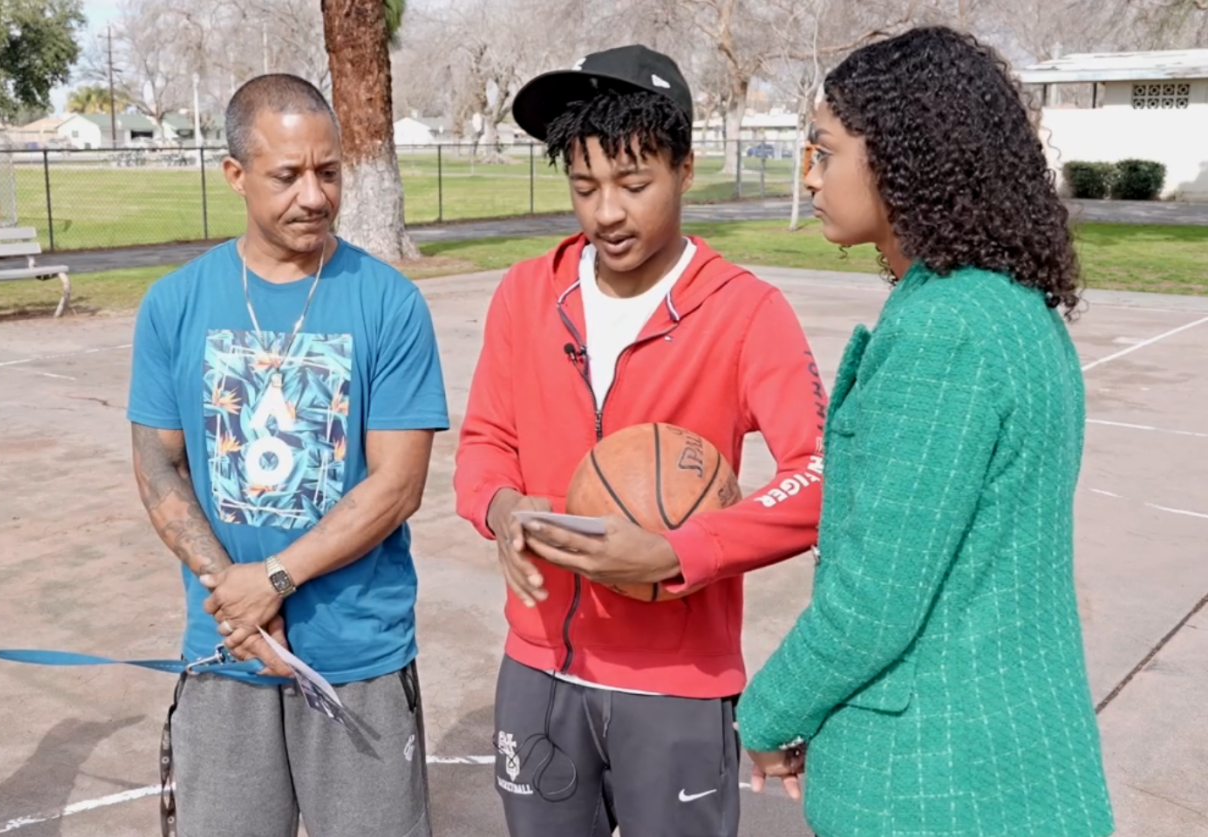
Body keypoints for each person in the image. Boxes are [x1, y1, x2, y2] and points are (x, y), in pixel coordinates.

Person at [736, 26, 1115, 837]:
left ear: (906, 157)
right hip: (1016, 760)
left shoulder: (943, 331)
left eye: (825, 150)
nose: (810, 174)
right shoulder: (1013, 309)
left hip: (938, 786)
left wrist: (765, 715)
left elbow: (873, 600)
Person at [452, 45, 826, 837]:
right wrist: (502, 506)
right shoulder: (527, 293)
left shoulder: (745, 312)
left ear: (686, 170)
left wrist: (682, 552)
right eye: (585, 187)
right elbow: (484, 440)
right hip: (539, 665)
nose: (606, 213)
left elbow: (822, 475)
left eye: (633, 184)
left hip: (676, 679)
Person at [126, 73, 449, 837]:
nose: (315, 195)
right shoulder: (175, 303)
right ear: (235, 175)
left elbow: (398, 485)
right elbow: (156, 461)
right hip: (225, 651)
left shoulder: (389, 303)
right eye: (288, 175)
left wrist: (273, 578)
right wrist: (233, 599)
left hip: (357, 653)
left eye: (329, 171)